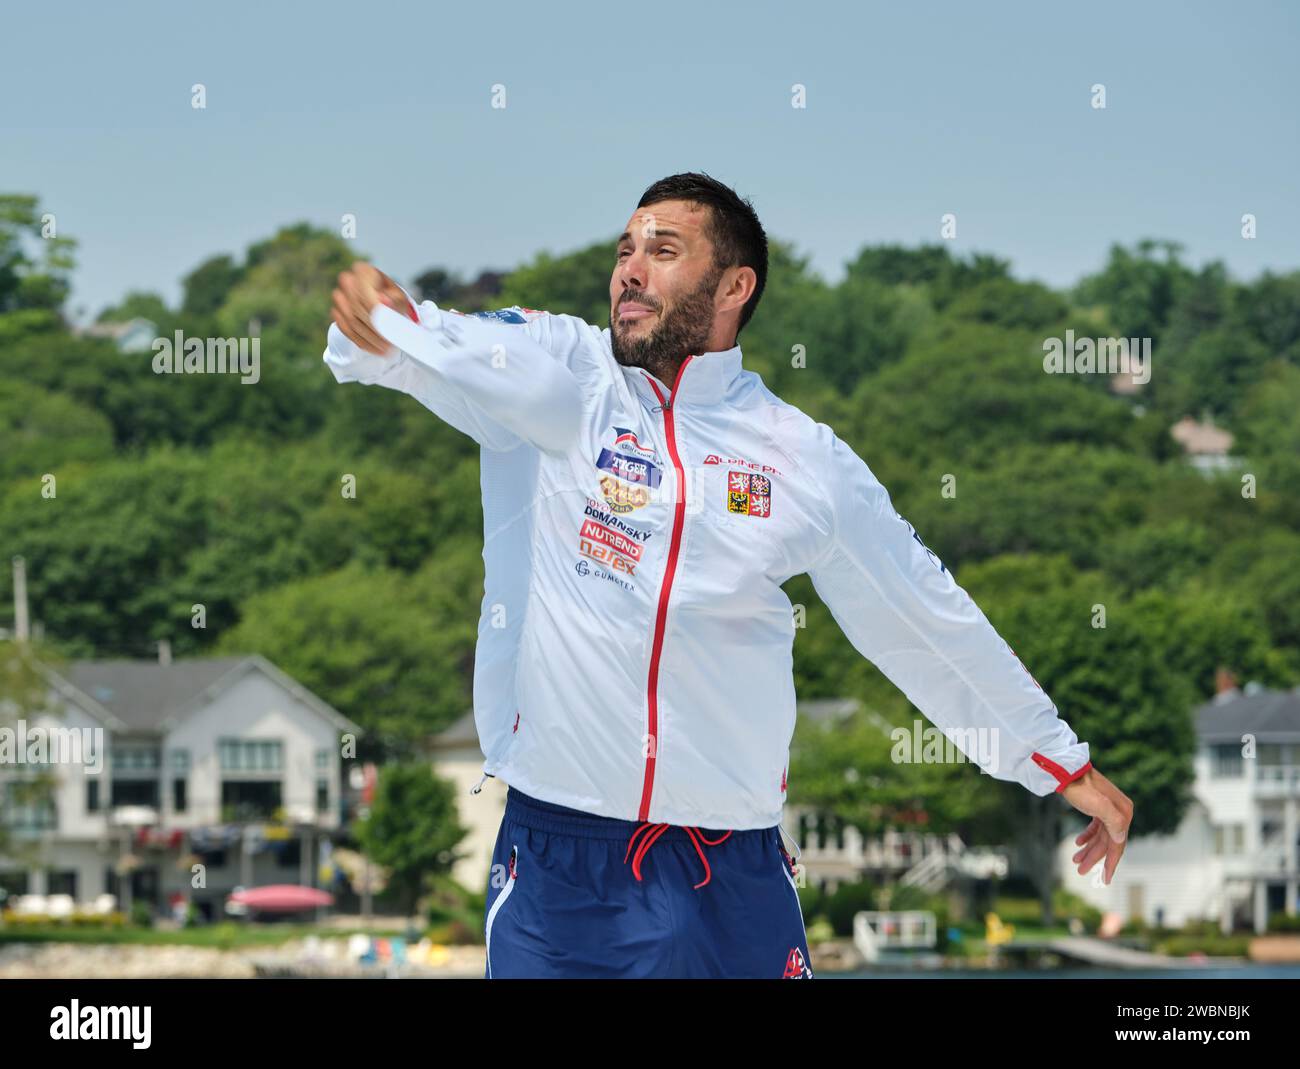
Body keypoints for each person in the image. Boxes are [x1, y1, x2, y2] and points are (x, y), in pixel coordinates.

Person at [324, 172, 1134, 978]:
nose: (630, 269)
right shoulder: (566, 374)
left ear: (735, 286)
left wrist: (1057, 759)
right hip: (563, 873)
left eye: (663, 249)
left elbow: (922, 616)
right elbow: (421, 350)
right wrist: (383, 319)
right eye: (625, 249)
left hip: (732, 875)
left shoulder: (803, 457)